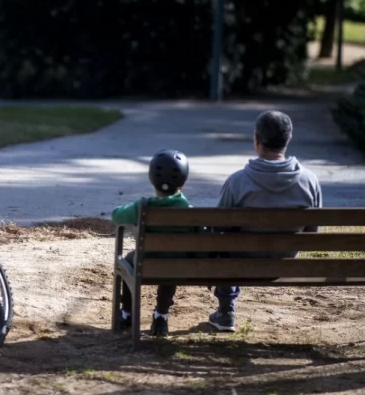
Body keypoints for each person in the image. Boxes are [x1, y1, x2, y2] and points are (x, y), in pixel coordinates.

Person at [208, 110, 323, 332]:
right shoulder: (310, 181)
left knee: (224, 240)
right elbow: (311, 233)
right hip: (284, 261)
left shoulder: (237, 182)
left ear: (257, 140)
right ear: (288, 139)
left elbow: (218, 228)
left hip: (240, 263)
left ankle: (226, 311)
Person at [112, 149, 192, 337]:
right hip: (179, 268)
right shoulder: (187, 210)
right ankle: (161, 316)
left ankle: (126, 313)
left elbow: (116, 216)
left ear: (151, 180)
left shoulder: (143, 206)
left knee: (129, 260)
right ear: (183, 183)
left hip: (145, 264)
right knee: (172, 260)